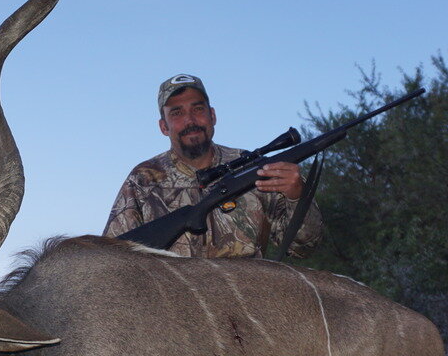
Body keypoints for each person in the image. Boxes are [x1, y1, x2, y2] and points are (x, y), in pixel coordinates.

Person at [103, 73, 322, 258]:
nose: (190, 120)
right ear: (163, 126)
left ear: (213, 115)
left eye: (198, 109)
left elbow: (302, 248)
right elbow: (111, 258)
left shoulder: (255, 167)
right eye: (177, 113)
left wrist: (297, 196)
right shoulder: (143, 179)